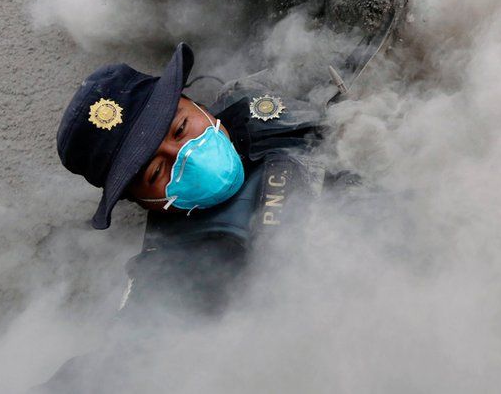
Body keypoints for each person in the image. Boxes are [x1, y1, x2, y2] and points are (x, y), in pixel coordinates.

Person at [56, 42, 325, 314]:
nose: (186, 155)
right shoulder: (168, 281)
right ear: (143, 201)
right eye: (157, 171)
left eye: (181, 128)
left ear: (195, 104)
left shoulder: (264, 94)